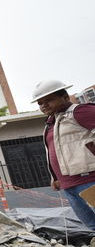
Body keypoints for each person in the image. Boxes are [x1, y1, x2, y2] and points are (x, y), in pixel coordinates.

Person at [33, 79, 95, 238]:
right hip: (68, 184)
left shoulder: (79, 112)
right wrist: (54, 177)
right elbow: (55, 151)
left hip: (89, 179)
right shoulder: (51, 123)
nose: (44, 105)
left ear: (65, 97)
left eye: (49, 100)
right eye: (40, 103)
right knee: (90, 223)